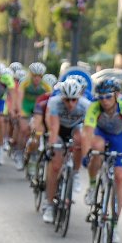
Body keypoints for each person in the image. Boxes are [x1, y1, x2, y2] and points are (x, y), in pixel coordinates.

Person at [81, 78, 122, 243]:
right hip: (100, 134)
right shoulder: (94, 106)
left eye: (108, 96)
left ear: (117, 95)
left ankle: (115, 225)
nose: (104, 101)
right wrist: (86, 154)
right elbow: (87, 132)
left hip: (119, 138)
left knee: (119, 177)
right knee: (96, 147)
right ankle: (93, 185)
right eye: (101, 97)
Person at [41, 78, 90, 224]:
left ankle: (75, 173)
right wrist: (52, 147)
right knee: (55, 167)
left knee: (80, 139)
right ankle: (49, 205)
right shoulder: (54, 102)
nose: (71, 104)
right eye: (67, 100)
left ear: (79, 97)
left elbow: (88, 130)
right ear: (62, 97)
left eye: (74, 100)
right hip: (60, 130)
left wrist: (87, 152)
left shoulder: (86, 105)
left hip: (75, 128)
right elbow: (54, 128)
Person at [15, 62, 51, 171]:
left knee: (37, 132)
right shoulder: (25, 82)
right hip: (26, 107)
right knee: (24, 129)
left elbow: (50, 101)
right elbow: (19, 99)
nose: (36, 78)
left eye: (39, 76)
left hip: (38, 108)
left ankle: (34, 156)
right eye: (34, 76)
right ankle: (19, 153)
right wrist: (19, 111)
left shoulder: (46, 85)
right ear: (30, 75)